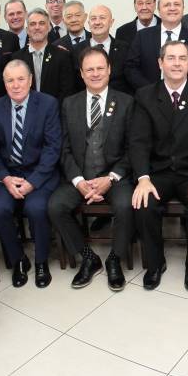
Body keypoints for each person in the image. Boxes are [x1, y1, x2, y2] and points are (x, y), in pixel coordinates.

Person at [130, 40, 188, 291]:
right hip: (157, 172)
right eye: (170, 58)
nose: (176, 63)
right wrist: (143, 178)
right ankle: (155, 264)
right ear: (160, 63)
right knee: (143, 203)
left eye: (182, 58)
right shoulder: (145, 95)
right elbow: (138, 142)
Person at [48, 47, 136, 291]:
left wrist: (111, 178)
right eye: (89, 69)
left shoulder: (127, 102)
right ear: (81, 73)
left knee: (126, 205)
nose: (95, 73)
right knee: (55, 206)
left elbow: (133, 148)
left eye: (100, 68)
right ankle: (88, 257)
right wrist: (78, 180)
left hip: (114, 177)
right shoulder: (69, 104)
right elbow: (64, 148)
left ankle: (115, 258)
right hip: (80, 176)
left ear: (109, 70)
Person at [0, 60, 62, 288]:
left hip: (40, 173)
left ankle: (41, 261)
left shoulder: (48, 104)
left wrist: (33, 182)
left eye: (21, 79)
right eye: (10, 80)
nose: (16, 85)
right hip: (9, 174)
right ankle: (19, 260)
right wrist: (5, 177)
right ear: (4, 83)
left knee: (36, 208)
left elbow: (53, 148)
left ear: (30, 80)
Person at [125, 0, 188, 90]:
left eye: (177, 4)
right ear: (159, 10)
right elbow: (131, 68)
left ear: (183, 9)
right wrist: (150, 91)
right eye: (167, 5)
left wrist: (184, 91)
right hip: (149, 96)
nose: (172, 8)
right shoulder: (142, 36)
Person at [11, 8, 76, 101]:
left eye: (41, 23)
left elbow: (67, 91)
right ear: (27, 30)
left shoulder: (62, 56)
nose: (37, 27)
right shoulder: (17, 58)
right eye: (33, 24)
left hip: (55, 109)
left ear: (49, 28)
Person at [70, 4, 130, 93]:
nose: (97, 22)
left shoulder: (125, 48)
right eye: (93, 18)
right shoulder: (76, 50)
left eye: (102, 18)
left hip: (119, 99)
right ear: (88, 23)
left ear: (111, 22)